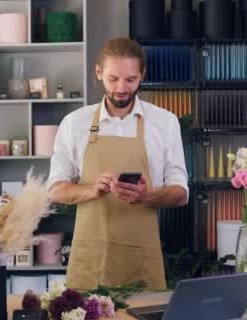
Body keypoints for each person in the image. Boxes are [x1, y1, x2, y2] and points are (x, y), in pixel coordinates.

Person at [47, 37, 189, 290]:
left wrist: (147, 194)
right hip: (90, 260)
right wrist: (91, 189)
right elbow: (55, 189)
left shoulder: (165, 123)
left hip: (141, 259)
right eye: (113, 79)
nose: (122, 87)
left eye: (130, 79)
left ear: (142, 75)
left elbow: (180, 193)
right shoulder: (75, 123)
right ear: (99, 73)